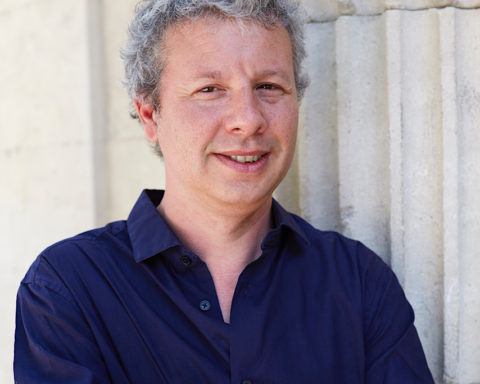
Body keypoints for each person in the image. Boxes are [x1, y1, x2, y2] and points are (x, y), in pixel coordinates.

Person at [14, 0, 435, 382]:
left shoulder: (360, 285)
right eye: (210, 90)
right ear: (149, 114)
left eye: (269, 86)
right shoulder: (67, 290)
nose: (248, 120)